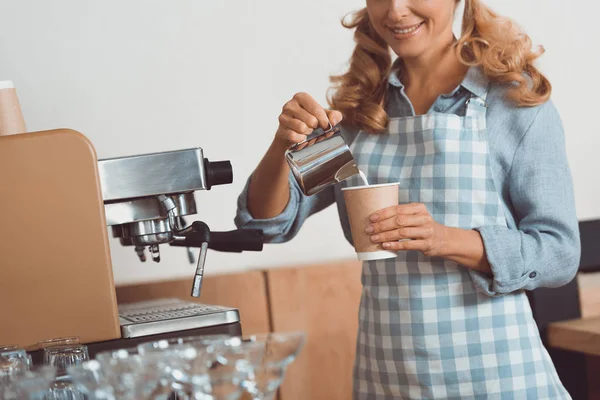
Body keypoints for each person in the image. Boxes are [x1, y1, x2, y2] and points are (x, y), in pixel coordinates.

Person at [235, 0, 580, 398]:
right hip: (388, 375)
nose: (396, 11)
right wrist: (284, 143)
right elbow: (267, 223)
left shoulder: (514, 102)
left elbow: (559, 252)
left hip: (498, 376)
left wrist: (445, 239)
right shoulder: (359, 112)